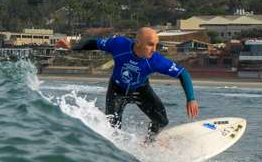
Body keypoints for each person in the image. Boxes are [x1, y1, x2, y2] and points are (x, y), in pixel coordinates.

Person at [55, 27, 198, 137]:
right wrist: (71, 47)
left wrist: (190, 99)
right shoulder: (119, 45)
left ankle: (148, 142)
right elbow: (95, 43)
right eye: (150, 45)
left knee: (161, 121)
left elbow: (183, 73)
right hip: (116, 90)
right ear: (138, 42)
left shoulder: (155, 60)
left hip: (140, 90)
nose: (154, 49)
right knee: (113, 129)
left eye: (156, 45)